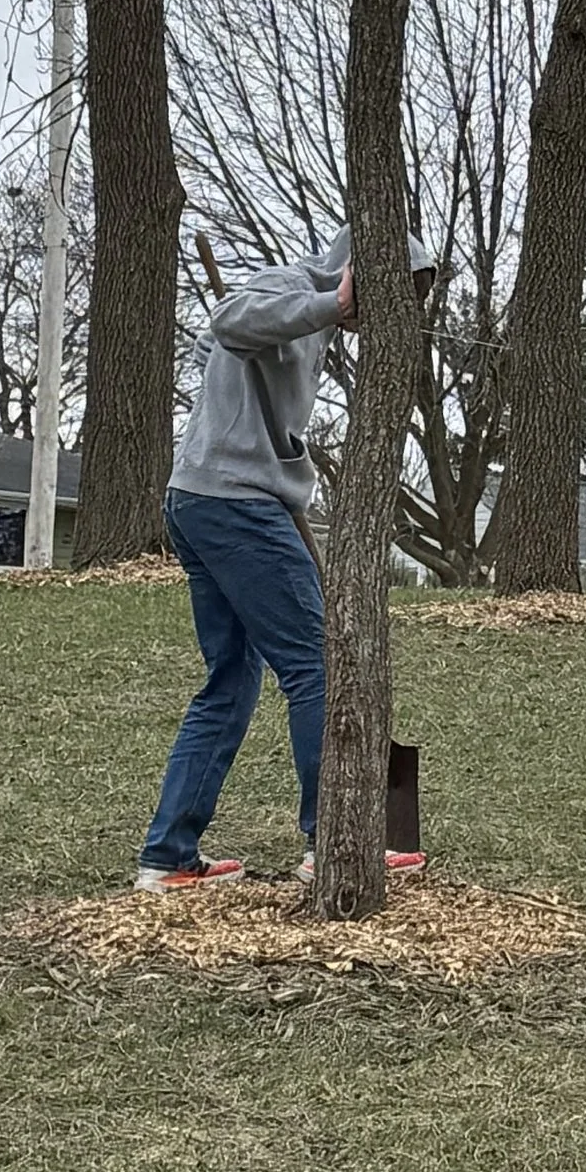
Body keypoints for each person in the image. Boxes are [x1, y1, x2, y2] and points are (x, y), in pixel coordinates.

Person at [137, 229, 435, 891]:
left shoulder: (310, 321)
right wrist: (330, 304)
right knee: (316, 664)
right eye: (384, 296)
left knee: (231, 680)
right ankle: (333, 841)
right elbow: (230, 320)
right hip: (236, 504)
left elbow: (221, 346)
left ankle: (168, 856)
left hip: (207, 499)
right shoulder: (290, 287)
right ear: (356, 273)